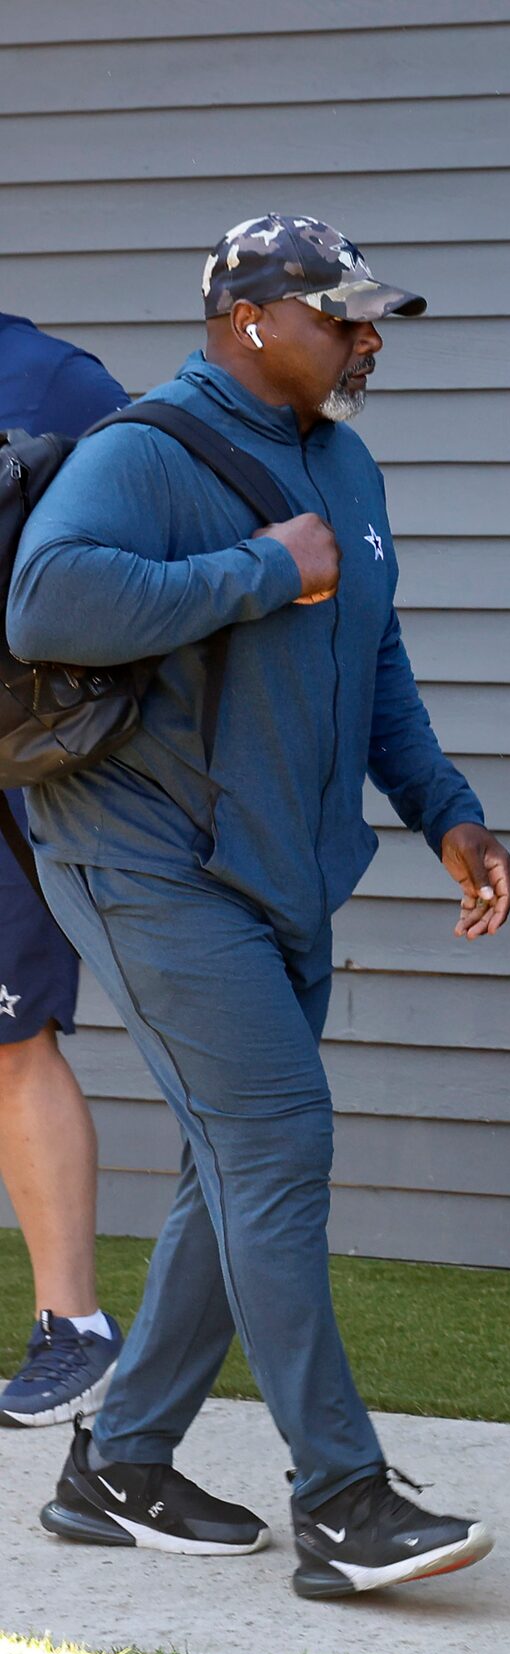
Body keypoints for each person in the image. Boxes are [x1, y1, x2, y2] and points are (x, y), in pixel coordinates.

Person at [6, 215, 510, 1599]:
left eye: (372, 319)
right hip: (146, 859)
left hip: (278, 868)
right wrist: (259, 570)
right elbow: (47, 603)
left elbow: (376, 651)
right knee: (278, 1139)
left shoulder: (341, 463)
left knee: (228, 1168)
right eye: (342, 318)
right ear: (249, 322)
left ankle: (119, 1463)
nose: (365, 341)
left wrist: (447, 809)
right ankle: (342, 1499)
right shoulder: (145, 452)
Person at [0, 312, 127, 1428]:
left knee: (11, 1040)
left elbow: (149, 543)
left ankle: (72, 1325)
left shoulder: (55, 381)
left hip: (11, 775)